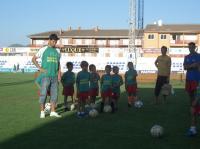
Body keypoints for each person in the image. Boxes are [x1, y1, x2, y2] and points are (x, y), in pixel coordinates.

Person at [32, 33, 61, 118]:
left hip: (54, 76)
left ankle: (52, 111)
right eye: (53, 41)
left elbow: (58, 63)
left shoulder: (58, 51)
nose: (55, 43)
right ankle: (42, 112)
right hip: (45, 76)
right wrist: (40, 68)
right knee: (43, 94)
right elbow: (33, 59)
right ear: (49, 40)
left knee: (54, 95)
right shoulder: (43, 49)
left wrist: (59, 74)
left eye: (56, 41)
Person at [184, 42, 200, 136]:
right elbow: (185, 67)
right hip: (189, 79)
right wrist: (192, 66)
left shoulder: (198, 56)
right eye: (189, 47)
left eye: (192, 47)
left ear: (195, 47)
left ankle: (195, 108)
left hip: (196, 79)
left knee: (195, 97)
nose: (190, 48)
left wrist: (192, 66)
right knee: (191, 97)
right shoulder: (186, 57)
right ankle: (193, 108)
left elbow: (197, 65)